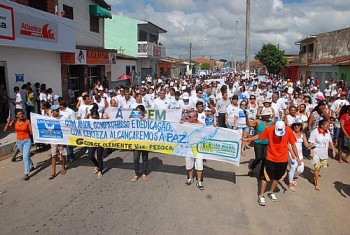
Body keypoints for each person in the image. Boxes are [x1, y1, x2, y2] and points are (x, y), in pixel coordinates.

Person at [243, 121, 300, 206]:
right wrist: (247, 139)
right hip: (271, 158)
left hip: (283, 159)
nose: (279, 136)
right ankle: (261, 195)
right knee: (266, 177)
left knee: (278, 177)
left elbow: (293, 144)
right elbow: (258, 136)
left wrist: (297, 156)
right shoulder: (269, 129)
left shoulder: (288, 131)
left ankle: (271, 192)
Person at [3, 109, 34, 180]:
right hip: (19, 142)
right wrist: (8, 122)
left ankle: (26, 173)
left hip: (27, 141)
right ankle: (31, 165)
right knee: (26, 156)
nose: (21, 115)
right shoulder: (14, 121)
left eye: (22, 113)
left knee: (25, 157)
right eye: (19, 114)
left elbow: (31, 131)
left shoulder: (27, 121)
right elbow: (5, 130)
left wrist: (32, 131)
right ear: (16, 115)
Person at [308, 120, 336, 191]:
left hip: (324, 153)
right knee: (317, 168)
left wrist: (333, 149)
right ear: (322, 126)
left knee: (319, 168)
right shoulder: (314, 132)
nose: (328, 127)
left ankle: (313, 177)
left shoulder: (328, 132)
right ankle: (317, 183)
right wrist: (311, 152)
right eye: (327, 125)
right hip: (316, 152)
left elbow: (330, 141)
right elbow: (310, 143)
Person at [287, 119, 313, 191]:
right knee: (293, 167)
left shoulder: (303, 134)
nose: (296, 126)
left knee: (300, 170)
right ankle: (290, 183)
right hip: (291, 153)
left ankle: (291, 177)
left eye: (298, 125)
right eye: (295, 125)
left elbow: (307, 145)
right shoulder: (290, 133)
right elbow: (288, 145)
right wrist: (293, 154)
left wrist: (314, 144)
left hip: (300, 154)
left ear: (301, 126)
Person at [246, 108, 273, 177]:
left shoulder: (271, 123)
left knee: (265, 159)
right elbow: (249, 124)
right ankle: (251, 167)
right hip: (258, 142)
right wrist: (246, 116)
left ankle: (261, 173)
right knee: (258, 158)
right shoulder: (258, 121)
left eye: (269, 115)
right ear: (263, 115)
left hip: (267, 143)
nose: (268, 116)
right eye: (267, 115)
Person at [184, 110, 205, 190]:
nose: (188, 118)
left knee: (199, 165)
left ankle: (199, 181)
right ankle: (190, 178)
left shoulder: (201, 125)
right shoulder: (186, 124)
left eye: (189, 117)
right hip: (188, 148)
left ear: (195, 117)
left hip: (198, 148)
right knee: (189, 163)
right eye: (188, 116)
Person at [48, 105, 67, 180]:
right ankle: (53, 172)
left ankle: (63, 167)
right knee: (53, 155)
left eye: (58, 110)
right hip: (53, 139)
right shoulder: (49, 119)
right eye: (56, 110)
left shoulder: (62, 117)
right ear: (52, 111)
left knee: (62, 153)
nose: (57, 111)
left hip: (61, 138)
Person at [132, 105, 149, 182]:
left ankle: (144, 173)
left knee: (144, 158)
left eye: (140, 111)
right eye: (137, 111)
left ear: (143, 111)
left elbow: (152, 125)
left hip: (145, 141)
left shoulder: (147, 117)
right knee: (136, 158)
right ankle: (137, 173)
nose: (138, 112)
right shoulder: (133, 118)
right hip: (136, 141)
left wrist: (144, 119)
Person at [88, 108, 104, 178]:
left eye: (95, 117)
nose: (93, 118)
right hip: (92, 141)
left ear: (97, 116)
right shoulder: (89, 122)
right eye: (92, 117)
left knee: (99, 156)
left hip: (100, 141)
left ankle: (100, 170)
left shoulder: (102, 122)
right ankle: (97, 165)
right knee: (91, 156)